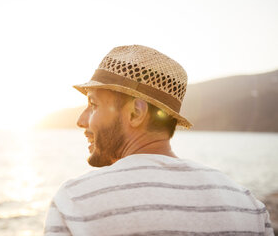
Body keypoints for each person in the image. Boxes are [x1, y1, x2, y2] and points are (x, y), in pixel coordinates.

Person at [43, 45, 274, 235]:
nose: (81, 120)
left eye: (93, 105)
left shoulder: (75, 201)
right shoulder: (246, 205)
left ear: (135, 113)